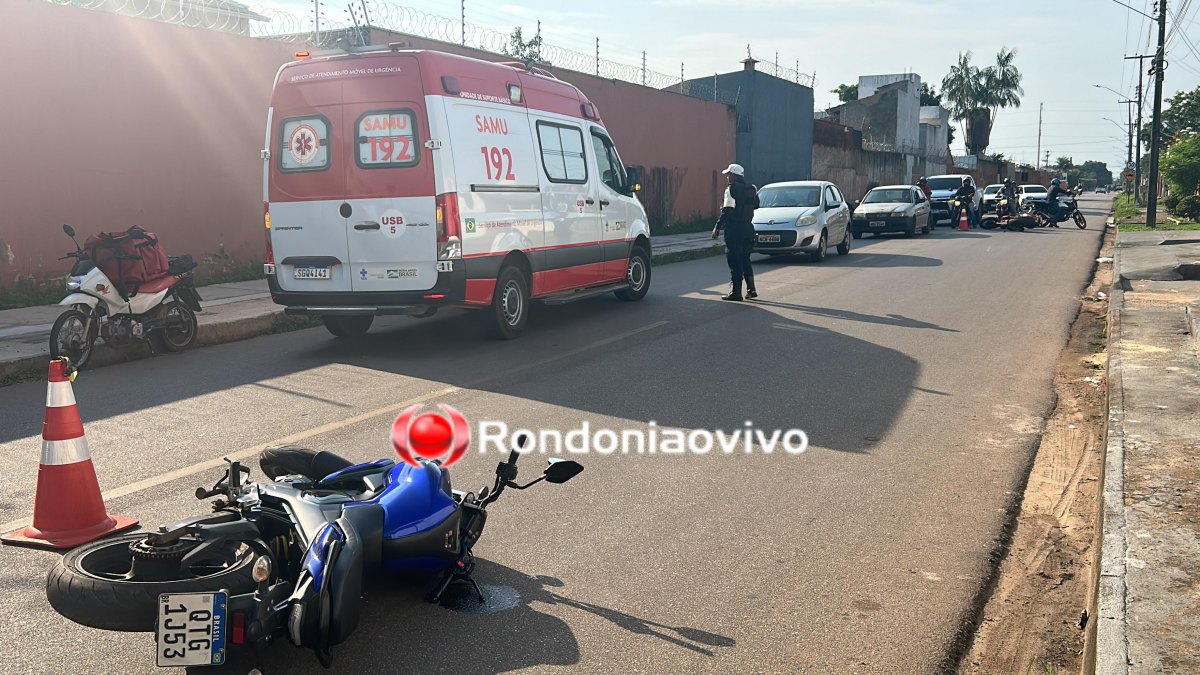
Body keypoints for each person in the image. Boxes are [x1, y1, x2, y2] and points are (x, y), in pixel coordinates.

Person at [711, 163, 758, 301]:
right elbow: (756, 204)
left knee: (734, 260)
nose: (727, 177)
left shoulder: (731, 189)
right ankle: (751, 289)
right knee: (745, 259)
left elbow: (728, 210)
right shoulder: (752, 189)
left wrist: (717, 227)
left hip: (735, 230)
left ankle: (736, 292)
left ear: (733, 176)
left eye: (728, 174)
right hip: (749, 229)